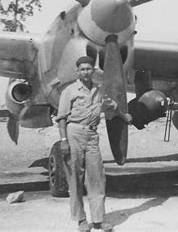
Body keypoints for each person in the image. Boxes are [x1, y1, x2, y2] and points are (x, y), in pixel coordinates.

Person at [57, 56, 131, 231]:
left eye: (89, 69)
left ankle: (98, 220)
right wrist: (63, 141)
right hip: (73, 133)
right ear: (77, 71)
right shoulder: (69, 91)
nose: (85, 72)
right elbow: (61, 118)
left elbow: (112, 106)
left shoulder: (99, 91)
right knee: (75, 178)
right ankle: (81, 220)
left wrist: (123, 116)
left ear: (93, 70)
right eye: (82, 69)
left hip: (92, 135)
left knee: (97, 178)